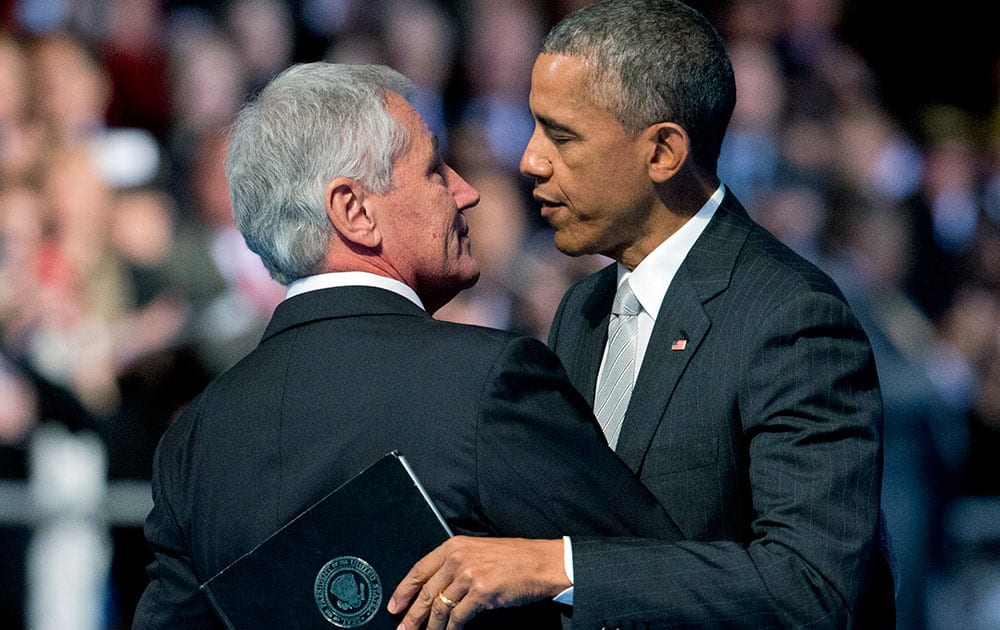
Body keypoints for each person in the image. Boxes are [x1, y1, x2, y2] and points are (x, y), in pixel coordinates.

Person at [389, 1, 894, 628]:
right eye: (533, 127)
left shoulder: (792, 320)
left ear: (662, 152)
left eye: (561, 135)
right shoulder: (584, 309)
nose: (530, 160)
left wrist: (560, 567)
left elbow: (812, 587)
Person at [131, 62, 683, 629]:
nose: (466, 193)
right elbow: (669, 583)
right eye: (434, 171)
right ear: (354, 210)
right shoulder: (489, 380)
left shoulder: (193, 440)